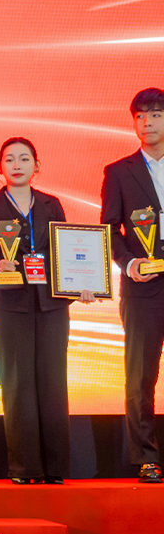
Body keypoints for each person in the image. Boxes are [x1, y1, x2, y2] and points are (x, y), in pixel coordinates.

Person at [0, 137, 92, 485]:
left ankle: (55, 468)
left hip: (51, 303)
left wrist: (81, 283)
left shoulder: (51, 204)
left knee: (53, 381)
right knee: (17, 382)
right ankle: (24, 468)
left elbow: (68, 249)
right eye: (9, 159)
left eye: (24, 158)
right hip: (8, 303)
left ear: (37, 166)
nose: (17, 165)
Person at [101, 87, 164, 483]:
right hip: (143, 287)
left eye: (155, 114)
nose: (147, 122)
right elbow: (109, 229)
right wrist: (129, 263)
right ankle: (146, 457)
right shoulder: (119, 172)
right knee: (140, 375)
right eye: (140, 116)